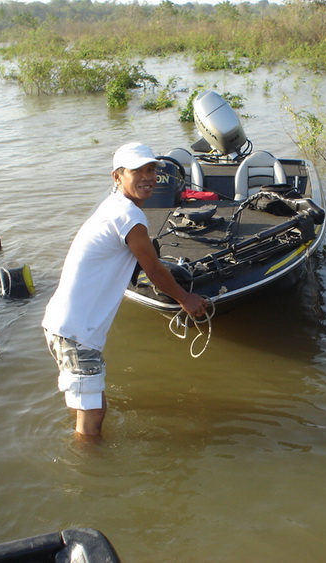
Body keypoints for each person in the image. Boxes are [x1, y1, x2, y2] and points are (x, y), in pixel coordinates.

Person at [42, 142, 208, 438]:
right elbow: (155, 270)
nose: (148, 177)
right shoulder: (129, 217)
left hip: (61, 325)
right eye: (138, 171)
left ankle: (82, 450)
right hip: (78, 333)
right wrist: (186, 298)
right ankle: (88, 476)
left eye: (151, 170)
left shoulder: (112, 206)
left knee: (88, 405)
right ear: (117, 177)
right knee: (93, 416)